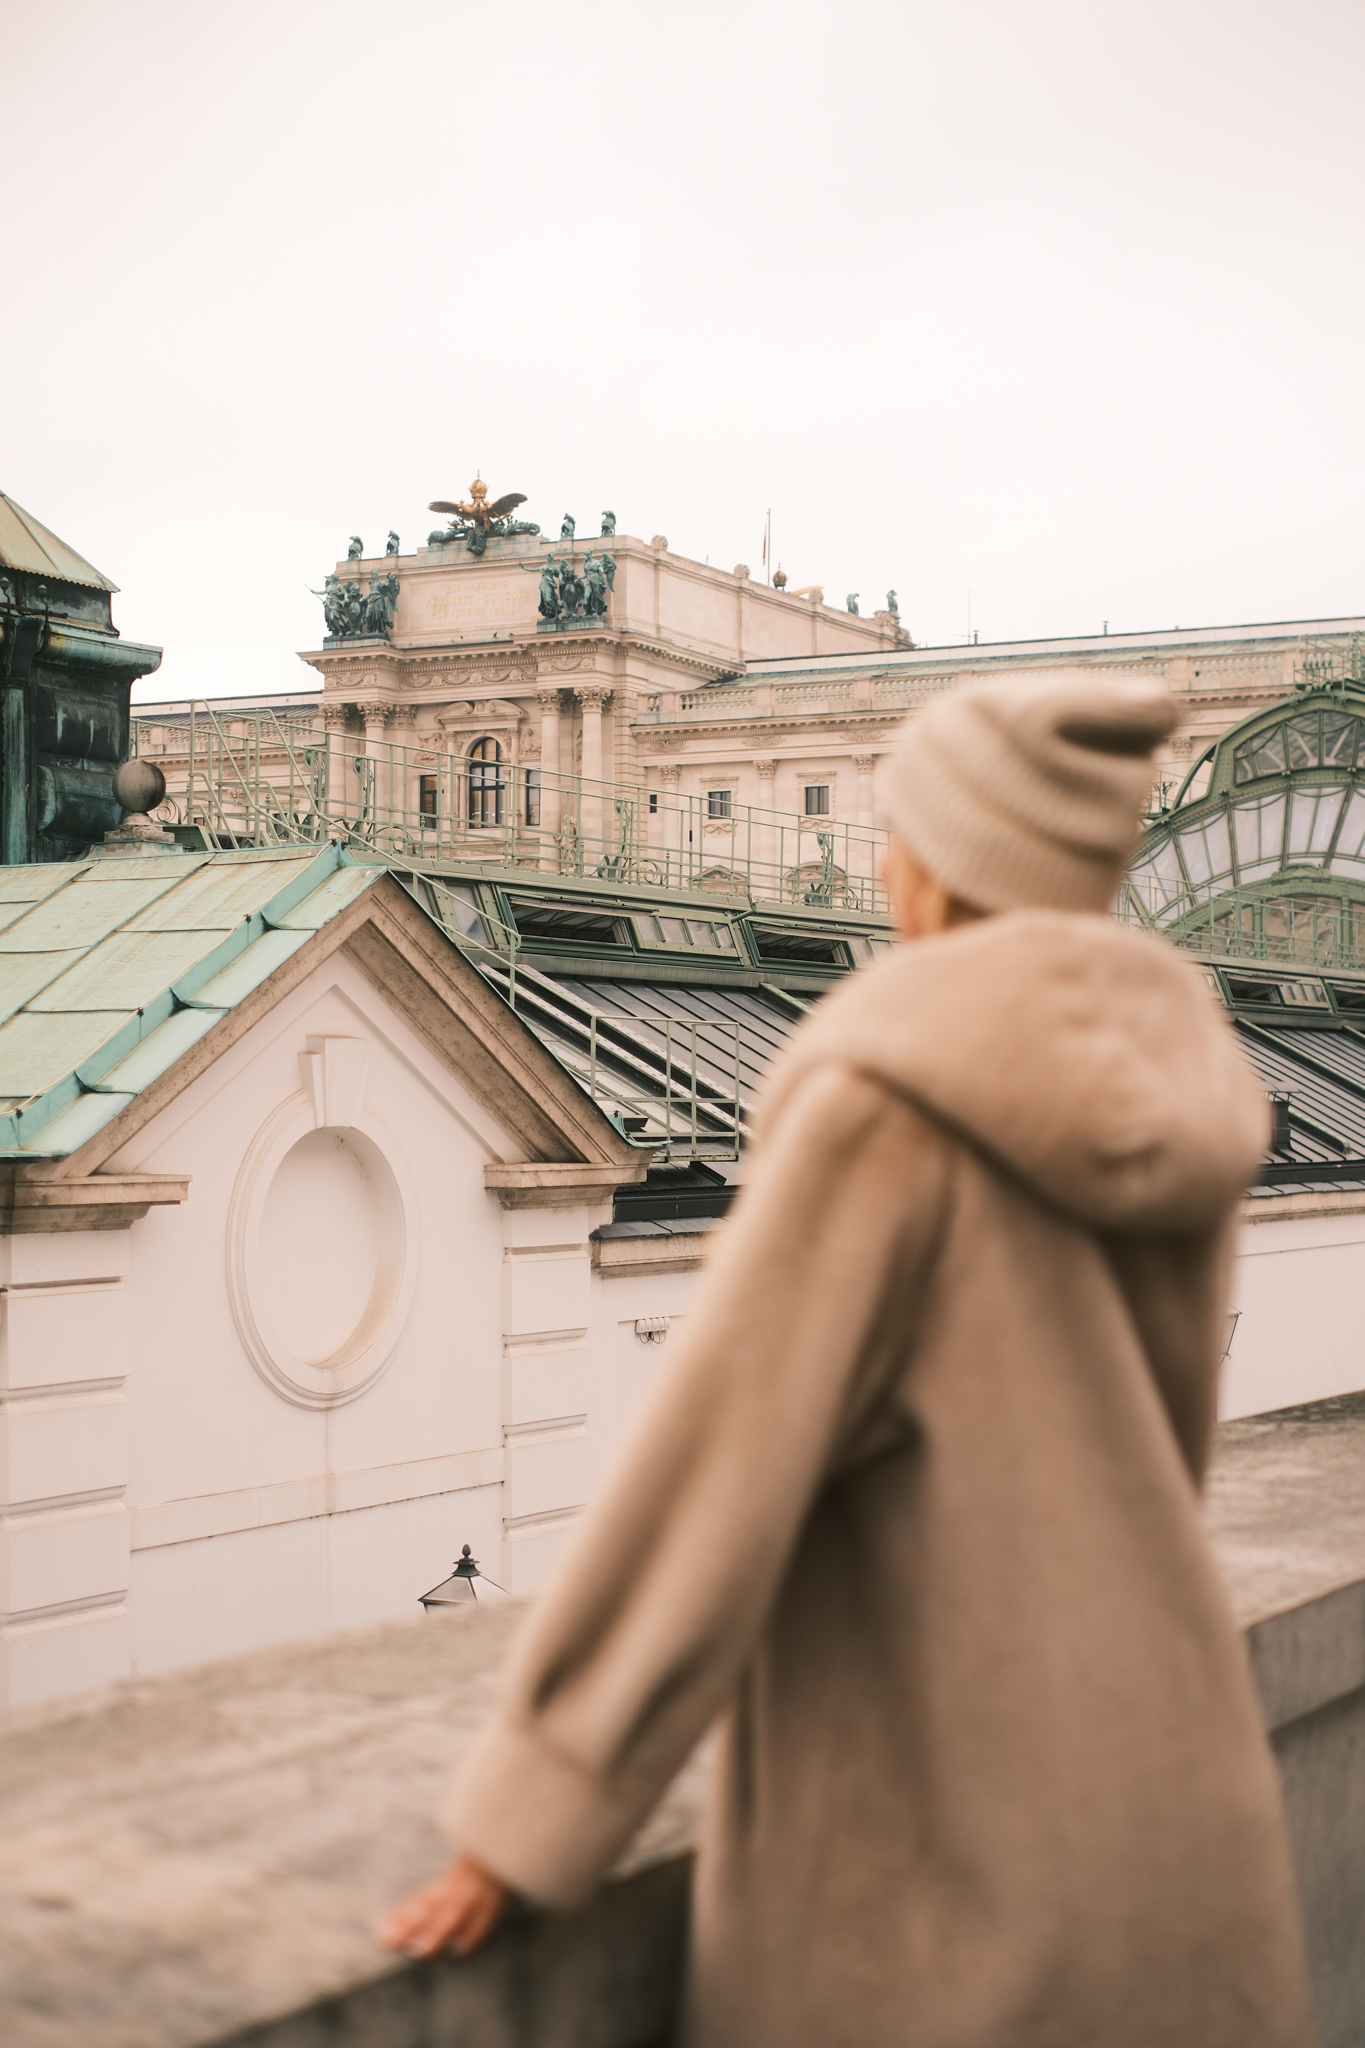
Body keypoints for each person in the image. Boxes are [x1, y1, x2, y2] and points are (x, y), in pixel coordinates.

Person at [380, 678, 1313, 2048]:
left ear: (944, 865)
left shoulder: (886, 1095)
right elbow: (1162, 1444)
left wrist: (534, 1810)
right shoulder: (1181, 1080)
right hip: (1166, 1791)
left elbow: (713, 1479)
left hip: (936, 1820)